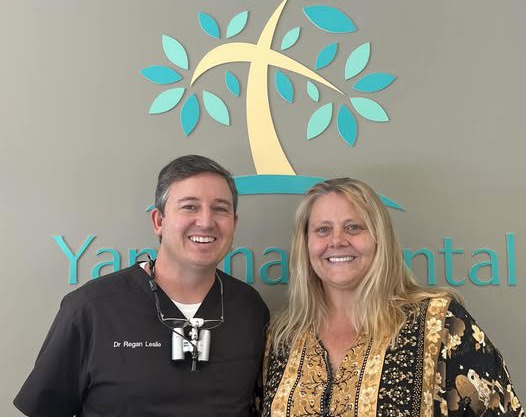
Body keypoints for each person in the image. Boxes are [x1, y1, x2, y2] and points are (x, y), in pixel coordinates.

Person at [15, 154, 269, 417]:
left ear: (234, 223)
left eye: (220, 209)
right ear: (159, 221)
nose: (206, 222)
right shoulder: (90, 310)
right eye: (189, 207)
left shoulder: (250, 309)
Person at [263, 178, 523, 417]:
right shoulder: (282, 339)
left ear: (380, 239)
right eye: (322, 230)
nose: (337, 240)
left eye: (353, 227)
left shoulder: (441, 324)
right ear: (305, 243)